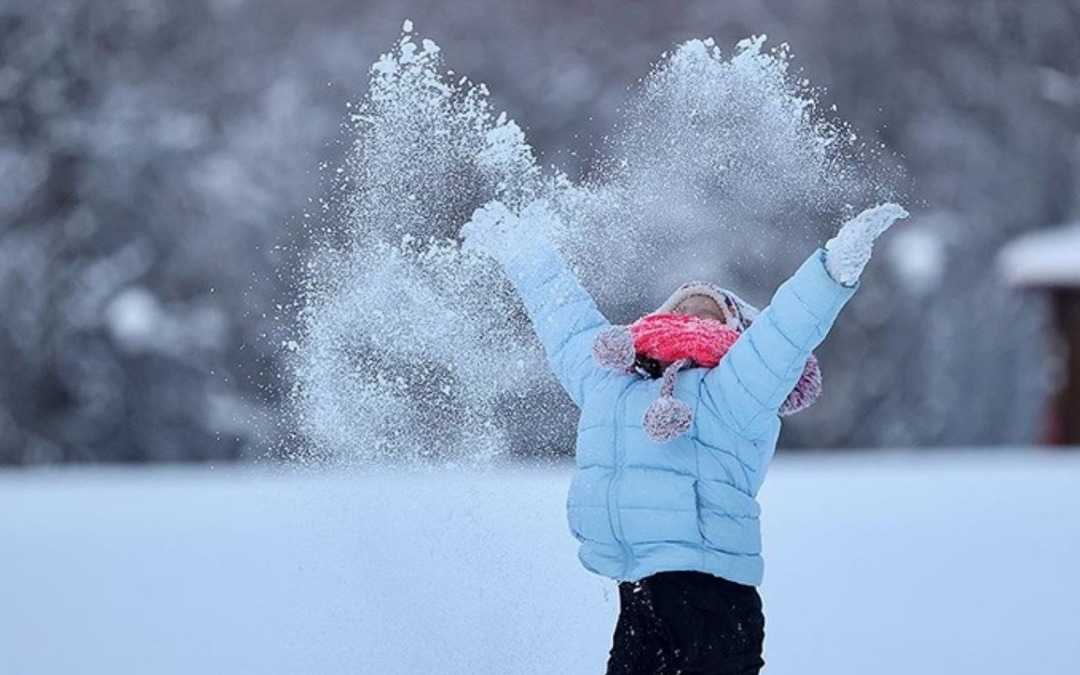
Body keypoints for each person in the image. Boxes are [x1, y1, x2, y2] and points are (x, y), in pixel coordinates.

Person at [461, 200, 908, 674]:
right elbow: (567, 324)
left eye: (711, 312)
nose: (693, 311)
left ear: (736, 335)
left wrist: (831, 270)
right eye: (681, 306)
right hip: (638, 594)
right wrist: (524, 252)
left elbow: (784, 334)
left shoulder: (735, 389)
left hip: (713, 598)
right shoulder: (610, 382)